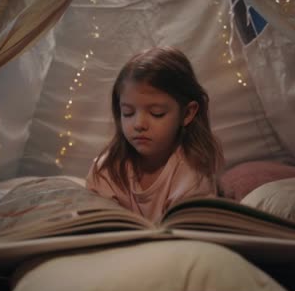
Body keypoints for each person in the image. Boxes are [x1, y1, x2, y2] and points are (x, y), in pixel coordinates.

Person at [86, 46, 224, 222]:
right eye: (128, 113)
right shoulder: (106, 168)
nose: (139, 124)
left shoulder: (192, 175)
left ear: (188, 113)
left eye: (156, 113)